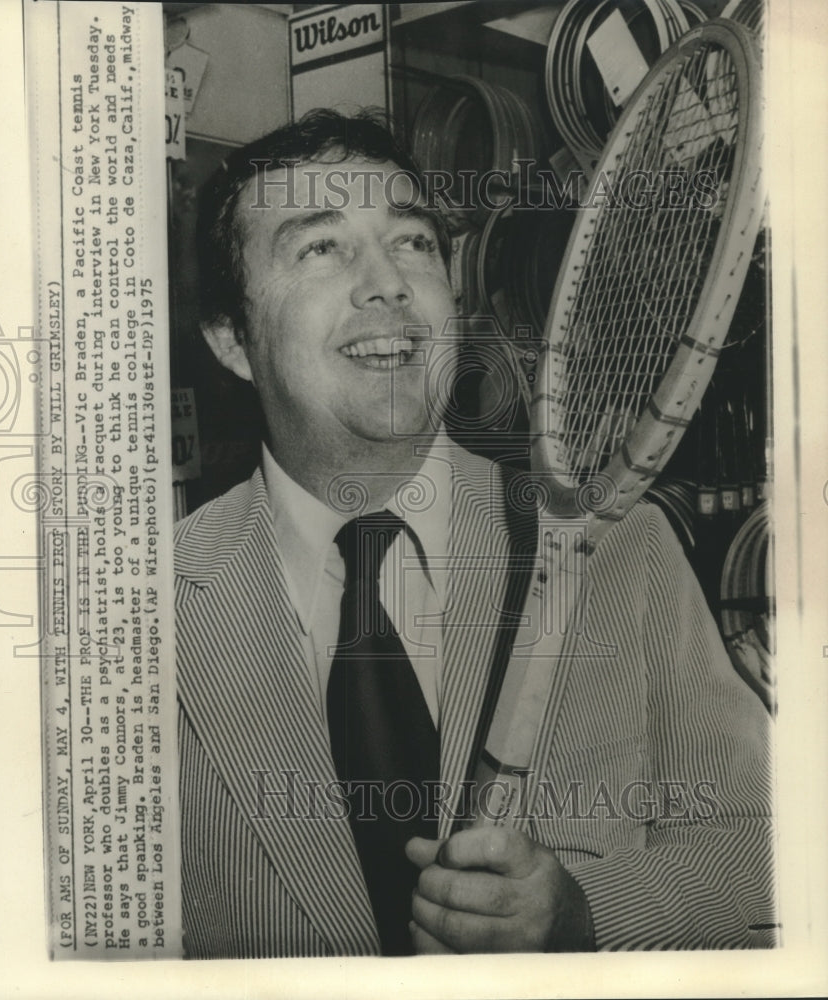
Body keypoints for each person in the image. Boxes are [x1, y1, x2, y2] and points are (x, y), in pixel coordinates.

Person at [174, 109, 775, 959]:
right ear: (233, 339)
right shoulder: (137, 618)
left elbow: (773, 852)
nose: (387, 283)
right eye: (321, 247)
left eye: (414, 242)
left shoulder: (623, 549)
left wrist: (587, 914)